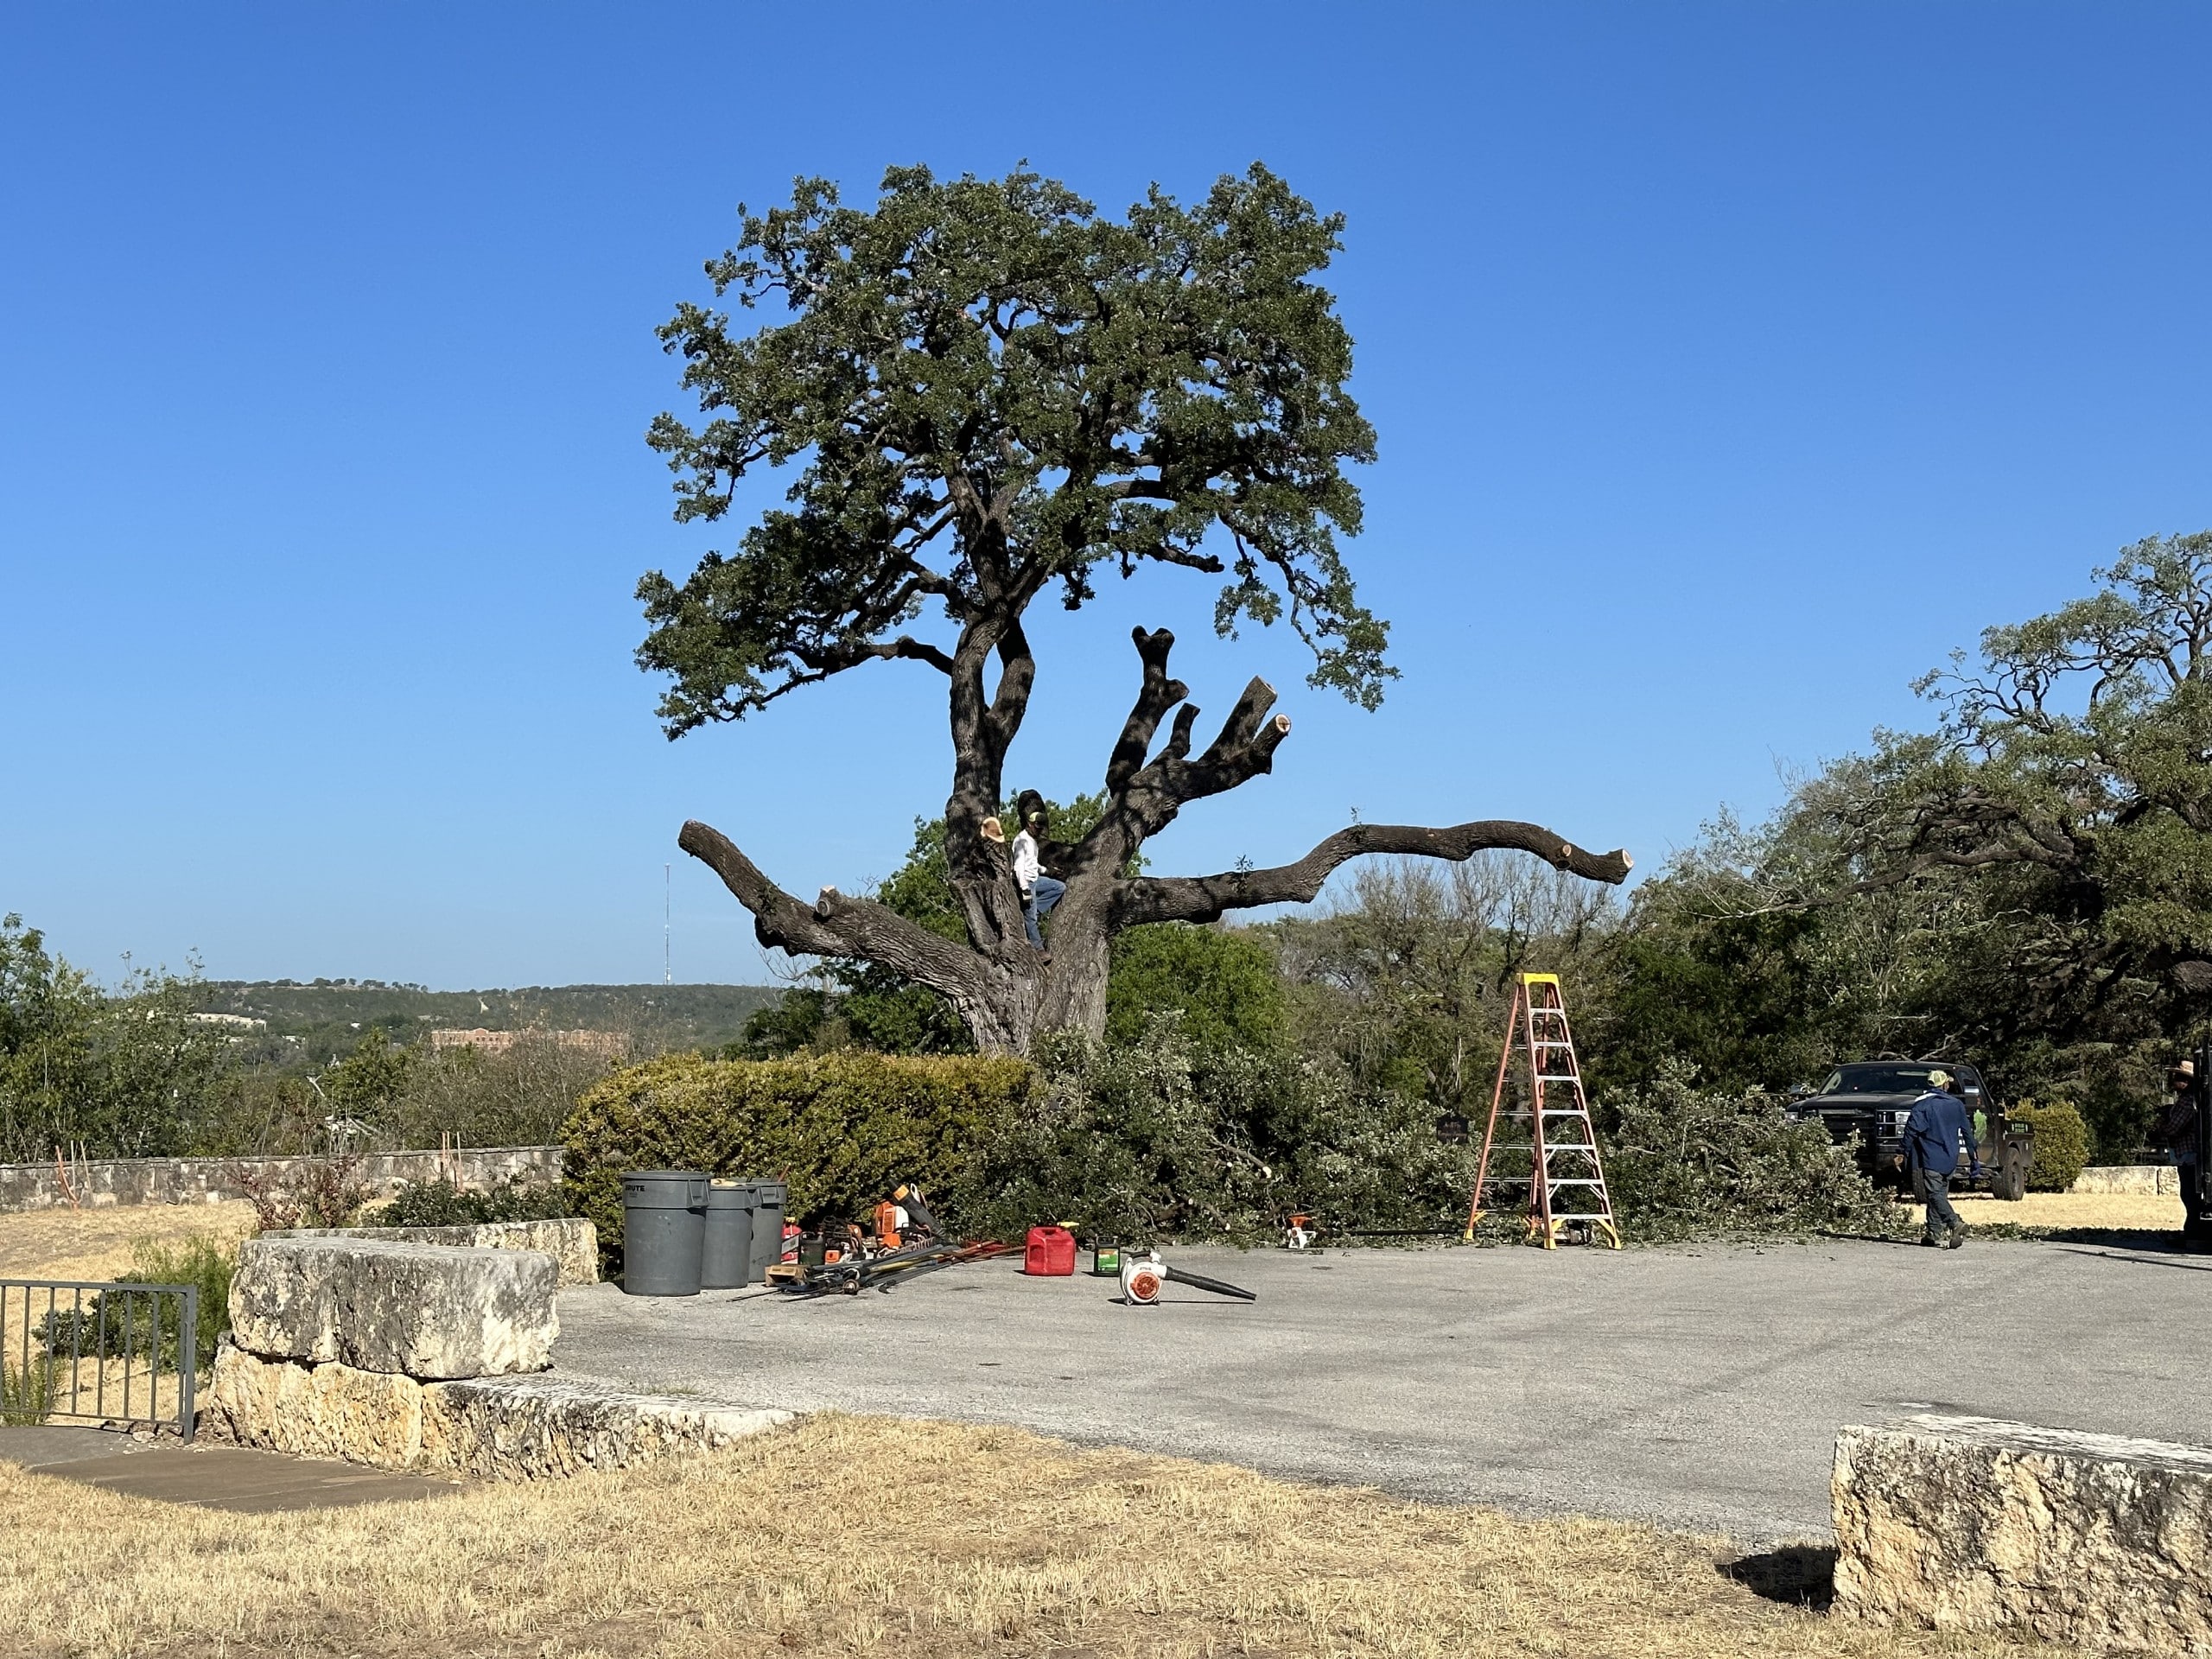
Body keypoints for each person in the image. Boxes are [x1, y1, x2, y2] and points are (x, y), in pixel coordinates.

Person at [1903, 1069, 1980, 1249]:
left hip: (1931, 1156)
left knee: (1934, 1194)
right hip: (1950, 1157)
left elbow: (1911, 1130)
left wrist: (1902, 1152)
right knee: (1939, 1194)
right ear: (1945, 1084)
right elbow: (1968, 1133)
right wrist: (1973, 1156)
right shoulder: (1956, 1105)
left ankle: (1954, 1223)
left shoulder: (1922, 1105)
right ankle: (1933, 1233)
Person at [2157, 1061, 2206, 1245]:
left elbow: (2173, 1128)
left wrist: (2162, 1125)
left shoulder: (2187, 1101)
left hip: (2189, 1154)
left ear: (2186, 1081)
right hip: (2190, 1154)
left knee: (2189, 1194)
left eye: (2178, 1077)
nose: (2174, 1081)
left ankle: (2193, 1231)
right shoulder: (2189, 1100)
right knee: (2190, 1194)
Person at [1010, 791, 1065, 949]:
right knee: (1031, 917)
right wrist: (1025, 889)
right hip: (1026, 881)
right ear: (1029, 824)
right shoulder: (1021, 841)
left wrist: (1047, 871)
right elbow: (1019, 867)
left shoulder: (1032, 841)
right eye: (1036, 826)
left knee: (1059, 887)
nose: (1039, 829)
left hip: (1036, 879)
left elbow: (1033, 864)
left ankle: (1033, 912)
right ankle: (1038, 949)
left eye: (1041, 826)